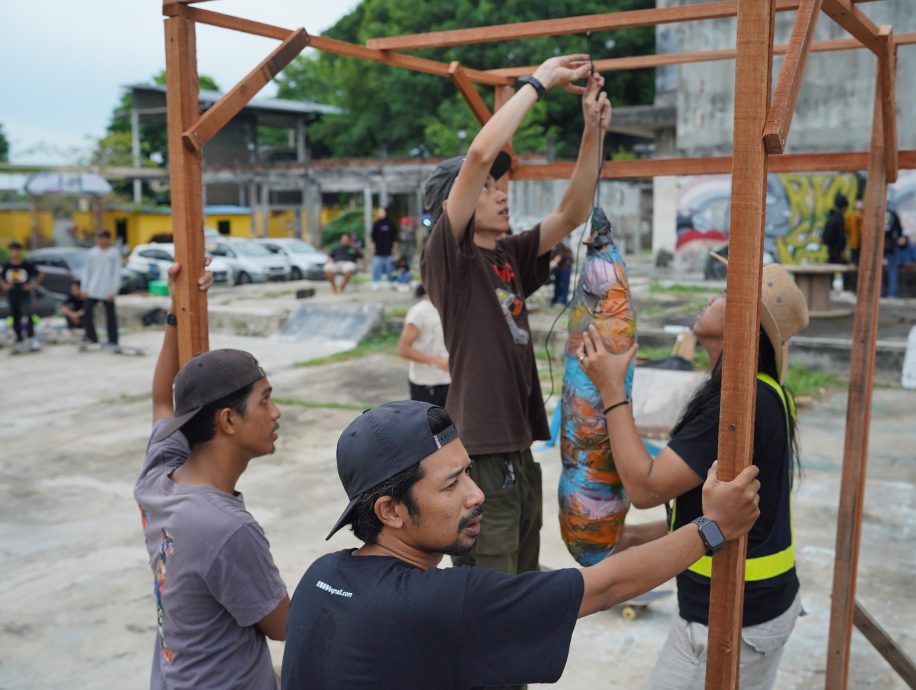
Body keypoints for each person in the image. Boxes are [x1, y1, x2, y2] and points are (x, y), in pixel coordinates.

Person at [280, 400, 761, 690]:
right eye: (452, 485)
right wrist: (713, 527)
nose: (477, 493)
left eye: (469, 470)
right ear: (390, 511)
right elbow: (604, 588)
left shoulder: (320, 575)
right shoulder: (446, 602)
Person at [575, 260, 810, 690]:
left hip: (734, 615)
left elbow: (646, 486)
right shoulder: (763, 390)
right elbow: (707, 511)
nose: (712, 297)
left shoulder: (736, 405)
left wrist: (612, 391)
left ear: (746, 320)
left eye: (725, 294)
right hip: (755, 607)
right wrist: (633, 538)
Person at [420, 55, 611, 576]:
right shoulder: (450, 258)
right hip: (479, 451)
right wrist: (539, 81)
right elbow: (481, 152)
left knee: (522, 576)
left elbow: (572, 213)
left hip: (518, 449)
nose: (499, 192)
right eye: (485, 187)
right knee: (491, 585)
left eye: (498, 185)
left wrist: (592, 130)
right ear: (452, 207)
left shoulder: (506, 256)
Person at [134, 260, 288, 690]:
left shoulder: (159, 478)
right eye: (264, 401)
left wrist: (176, 309)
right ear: (227, 421)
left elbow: (164, 400)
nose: (276, 413)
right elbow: (284, 625)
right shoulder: (227, 528)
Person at [398, 284, 450, 407]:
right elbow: (403, 349)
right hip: (426, 384)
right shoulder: (419, 312)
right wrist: (436, 361)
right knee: (427, 425)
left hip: (451, 382)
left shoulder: (453, 308)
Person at [1, 240, 43, 352]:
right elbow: (1, 277)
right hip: (12, 294)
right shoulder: (7, 265)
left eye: (15, 250)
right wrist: (5, 285)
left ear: (19, 251)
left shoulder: (26, 264)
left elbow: (39, 274)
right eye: (12, 250)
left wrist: (32, 285)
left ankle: (32, 338)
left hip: (25, 294)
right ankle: (19, 340)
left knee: (28, 315)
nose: (13, 252)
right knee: (15, 317)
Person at [82, 230, 122, 350]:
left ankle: (113, 340)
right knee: (87, 311)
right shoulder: (92, 253)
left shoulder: (114, 253)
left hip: (108, 290)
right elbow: (86, 272)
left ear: (108, 239)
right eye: (99, 238)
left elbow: (116, 273)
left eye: (104, 238)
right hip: (93, 289)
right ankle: (92, 337)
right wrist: (84, 288)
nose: (101, 241)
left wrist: (113, 290)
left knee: (110, 316)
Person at [370, 206, 398, 289]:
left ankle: (391, 282)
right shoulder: (376, 224)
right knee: (376, 267)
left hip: (389, 250)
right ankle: (375, 282)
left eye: (382, 212)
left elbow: (395, 238)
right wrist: (373, 249)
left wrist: (394, 248)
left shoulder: (391, 224)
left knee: (390, 268)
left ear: (386, 212)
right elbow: (373, 239)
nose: (380, 213)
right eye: (379, 212)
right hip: (378, 251)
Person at [821, 192, 848, 265]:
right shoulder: (840, 219)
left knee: (831, 269)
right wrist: (842, 250)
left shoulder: (831, 216)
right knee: (846, 272)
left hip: (831, 249)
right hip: (837, 251)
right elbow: (841, 236)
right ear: (843, 207)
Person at [883, 207, 905, 298]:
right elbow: (899, 230)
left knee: (882, 271)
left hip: (881, 247)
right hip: (891, 246)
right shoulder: (892, 214)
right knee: (892, 271)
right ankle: (892, 293)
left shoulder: (877, 213)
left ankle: (883, 292)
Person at [844, 198, 864, 291]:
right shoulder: (851, 216)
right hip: (853, 245)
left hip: (862, 246)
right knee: (853, 267)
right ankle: (852, 287)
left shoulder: (863, 216)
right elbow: (847, 229)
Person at [549, 240, 574, 306]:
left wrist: (553, 263)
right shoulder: (549, 247)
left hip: (565, 266)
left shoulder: (559, 244)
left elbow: (559, 257)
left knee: (563, 284)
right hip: (558, 268)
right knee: (557, 283)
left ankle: (562, 301)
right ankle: (555, 300)